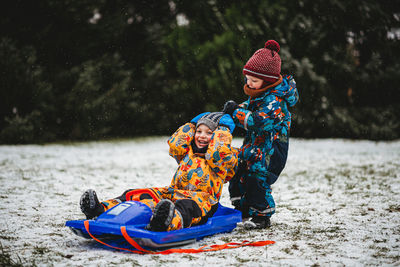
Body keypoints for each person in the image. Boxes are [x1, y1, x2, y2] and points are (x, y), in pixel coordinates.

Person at [79, 112, 238, 232]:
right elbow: (176, 143)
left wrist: (223, 129)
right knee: (137, 193)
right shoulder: (186, 152)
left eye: (209, 133)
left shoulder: (223, 160)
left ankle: (166, 221)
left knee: (186, 207)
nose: (202, 136)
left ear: (218, 136)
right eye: (199, 131)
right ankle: (100, 210)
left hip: (203, 201)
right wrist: (191, 123)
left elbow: (219, 153)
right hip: (173, 193)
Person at [223, 40, 299, 229]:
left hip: (271, 151)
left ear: (269, 80)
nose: (249, 83)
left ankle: (261, 215)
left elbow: (259, 121)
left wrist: (236, 113)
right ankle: (242, 208)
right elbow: (248, 108)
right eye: (247, 79)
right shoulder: (259, 94)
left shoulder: (275, 101)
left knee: (257, 179)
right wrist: (233, 110)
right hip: (255, 147)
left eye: (254, 80)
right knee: (238, 173)